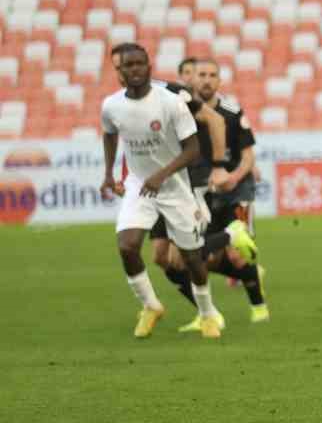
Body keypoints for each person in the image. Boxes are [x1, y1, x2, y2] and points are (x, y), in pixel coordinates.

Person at [98, 44, 222, 339]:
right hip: (140, 186)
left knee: (192, 259)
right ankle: (151, 306)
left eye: (141, 64)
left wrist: (162, 174)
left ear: (149, 67)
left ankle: (207, 314)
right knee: (127, 246)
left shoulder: (170, 103)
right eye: (129, 66)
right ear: (120, 71)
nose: (135, 70)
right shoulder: (111, 106)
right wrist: (107, 173)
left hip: (175, 188)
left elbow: (192, 150)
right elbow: (109, 133)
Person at [178, 59, 270, 324]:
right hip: (203, 193)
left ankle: (259, 307)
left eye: (212, 75)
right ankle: (207, 313)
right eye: (201, 74)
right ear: (191, 79)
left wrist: (234, 177)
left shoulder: (231, 111)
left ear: (220, 81)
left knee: (236, 254)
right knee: (203, 258)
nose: (207, 79)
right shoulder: (181, 112)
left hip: (236, 190)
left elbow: (248, 155)